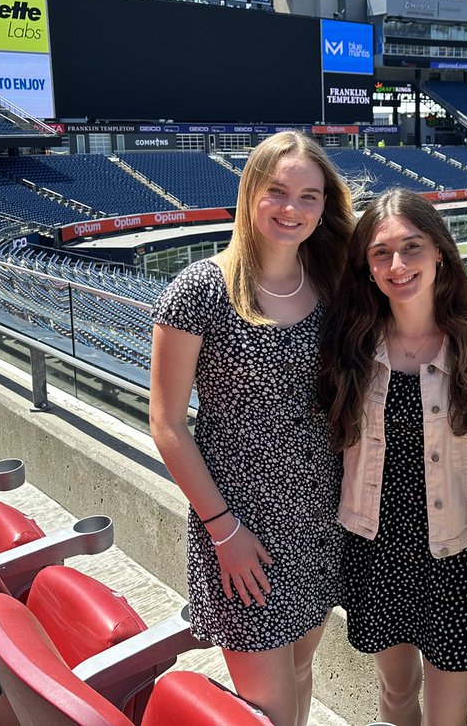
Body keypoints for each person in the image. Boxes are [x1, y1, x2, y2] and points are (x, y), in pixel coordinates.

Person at [149, 131, 355, 726]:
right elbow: (166, 425)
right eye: (279, 192)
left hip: (316, 514)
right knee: (265, 709)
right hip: (240, 526)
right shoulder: (199, 291)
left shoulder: (330, 284)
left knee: (299, 670)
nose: (293, 209)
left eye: (310, 197)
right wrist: (223, 531)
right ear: (250, 193)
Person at [319, 189, 467, 726]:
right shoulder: (350, 346)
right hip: (376, 550)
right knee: (396, 698)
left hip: (456, 555)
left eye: (412, 247)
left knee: (447, 716)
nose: (398, 265)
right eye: (380, 253)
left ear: (440, 251)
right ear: (366, 267)